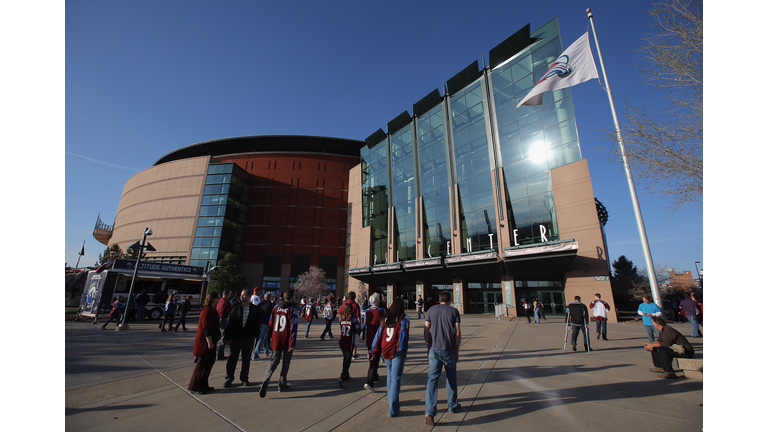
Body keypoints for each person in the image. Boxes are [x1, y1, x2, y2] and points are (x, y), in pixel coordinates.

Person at [424, 291, 462, 426]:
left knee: (432, 380)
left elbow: (426, 328)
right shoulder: (454, 311)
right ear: (449, 300)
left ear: (439, 299)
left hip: (434, 349)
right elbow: (457, 332)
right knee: (451, 379)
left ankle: (429, 412)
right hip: (449, 349)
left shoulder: (431, 310)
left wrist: (428, 344)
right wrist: (457, 350)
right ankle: (452, 405)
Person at [368, 297, 409, 418]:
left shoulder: (385, 320)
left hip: (386, 351)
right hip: (397, 352)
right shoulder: (402, 320)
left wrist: (373, 350)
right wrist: (402, 349)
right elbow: (403, 336)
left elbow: (378, 335)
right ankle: (393, 409)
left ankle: (391, 402)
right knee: (396, 378)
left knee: (390, 375)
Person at [259, 289, 299, 397]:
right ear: (291, 298)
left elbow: (270, 323)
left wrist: (272, 337)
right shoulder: (292, 309)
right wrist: (292, 343)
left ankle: (266, 379)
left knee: (274, 361)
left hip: (276, 339)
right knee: (285, 362)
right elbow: (293, 327)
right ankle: (282, 384)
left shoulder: (276, 308)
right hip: (286, 339)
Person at [223, 289, 261, 387]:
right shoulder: (235, 308)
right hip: (236, 338)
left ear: (249, 297)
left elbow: (257, 325)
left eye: (244, 295)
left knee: (246, 359)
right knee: (232, 359)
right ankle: (229, 378)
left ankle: (244, 378)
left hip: (248, 338)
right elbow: (230, 323)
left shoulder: (255, 309)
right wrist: (227, 338)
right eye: (241, 295)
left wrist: (255, 338)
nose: (241, 297)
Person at [188, 291, 221, 395]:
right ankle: (195, 386)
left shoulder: (212, 310)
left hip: (212, 341)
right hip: (205, 343)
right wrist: (209, 341)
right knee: (201, 364)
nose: (219, 299)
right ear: (213, 299)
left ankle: (203, 384)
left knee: (209, 363)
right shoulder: (207, 311)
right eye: (218, 297)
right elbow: (205, 327)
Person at [363, 294, 385, 392]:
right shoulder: (381, 311)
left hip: (369, 338)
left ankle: (375, 377)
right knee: (374, 360)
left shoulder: (367, 311)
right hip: (377, 339)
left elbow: (364, 324)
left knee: (373, 358)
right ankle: (369, 381)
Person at [337, 303, 361, 389]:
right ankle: (343, 376)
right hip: (349, 342)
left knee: (345, 358)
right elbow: (358, 330)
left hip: (342, 340)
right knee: (347, 360)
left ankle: (346, 375)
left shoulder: (341, 318)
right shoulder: (353, 319)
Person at [252, 293, 275, 360]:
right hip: (266, 322)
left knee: (264, 336)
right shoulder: (272, 305)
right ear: (270, 298)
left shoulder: (260, 304)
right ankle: (255, 354)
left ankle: (266, 351)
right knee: (261, 338)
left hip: (260, 322)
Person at [217, 290, 233, 360]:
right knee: (224, 337)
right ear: (227, 295)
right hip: (224, 319)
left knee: (223, 336)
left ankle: (221, 353)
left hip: (219, 319)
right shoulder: (226, 302)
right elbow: (230, 311)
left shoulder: (220, 301)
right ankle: (220, 354)